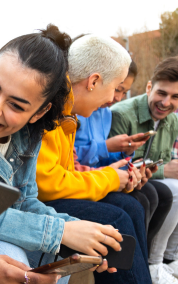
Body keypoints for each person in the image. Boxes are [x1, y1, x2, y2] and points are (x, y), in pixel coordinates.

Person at [0, 25, 118, 284]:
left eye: (16, 105)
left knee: (72, 262)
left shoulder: (31, 129)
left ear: (39, 113)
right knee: (12, 256)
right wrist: (60, 231)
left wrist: (82, 231)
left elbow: (25, 201)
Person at [35, 34, 152, 283]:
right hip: (34, 203)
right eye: (116, 87)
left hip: (51, 194)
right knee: (116, 218)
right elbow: (46, 184)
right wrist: (110, 177)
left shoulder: (69, 110)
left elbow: (67, 172)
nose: (113, 99)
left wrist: (114, 174)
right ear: (94, 81)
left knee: (129, 204)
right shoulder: (52, 106)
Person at [75, 60, 173, 254]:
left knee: (158, 194)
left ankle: (147, 260)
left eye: (123, 91)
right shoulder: (81, 112)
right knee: (138, 203)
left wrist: (126, 157)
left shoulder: (105, 113)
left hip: (100, 174)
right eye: (115, 89)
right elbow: (74, 158)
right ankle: (142, 262)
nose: (116, 97)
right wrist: (107, 147)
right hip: (87, 179)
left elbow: (106, 161)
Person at [110, 56, 178, 284]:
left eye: (175, 97)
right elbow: (115, 159)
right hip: (122, 178)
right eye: (162, 93)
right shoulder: (122, 114)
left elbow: (165, 158)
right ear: (149, 87)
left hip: (145, 178)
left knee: (168, 191)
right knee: (165, 192)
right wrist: (164, 172)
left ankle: (165, 258)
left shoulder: (172, 121)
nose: (166, 102)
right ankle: (150, 262)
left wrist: (164, 169)